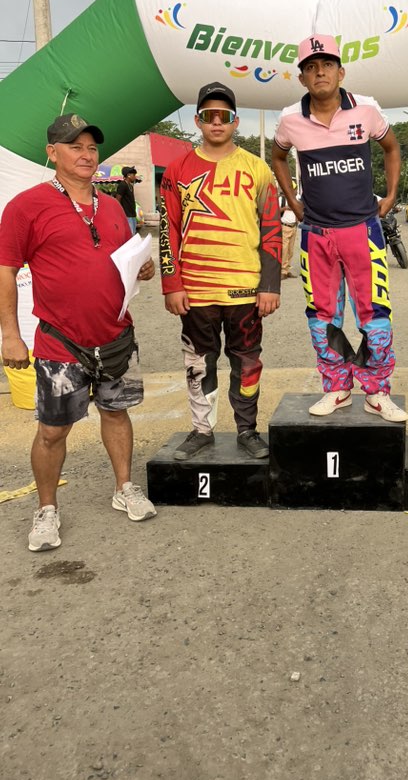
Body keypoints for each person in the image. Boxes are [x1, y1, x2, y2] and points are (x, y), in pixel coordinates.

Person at [0, 114, 157, 552]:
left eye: (91, 147)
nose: (86, 155)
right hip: (61, 340)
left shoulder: (112, 206)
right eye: (75, 147)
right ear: (52, 153)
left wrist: (142, 267)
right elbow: (6, 270)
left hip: (115, 334)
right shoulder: (26, 206)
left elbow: (122, 259)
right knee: (53, 430)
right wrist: (10, 334)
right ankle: (47, 508)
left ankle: (124, 487)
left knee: (117, 414)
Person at [271, 34, 407, 422]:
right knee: (321, 316)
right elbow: (278, 157)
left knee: (374, 315)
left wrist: (391, 194)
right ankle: (337, 388)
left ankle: (377, 391)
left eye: (327, 65)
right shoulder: (290, 119)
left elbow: (392, 147)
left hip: (363, 231)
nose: (320, 73)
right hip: (316, 233)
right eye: (311, 67)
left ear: (341, 72)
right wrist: (293, 201)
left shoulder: (366, 110)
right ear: (302, 78)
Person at [160, 82, 281, 460]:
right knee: (199, 363)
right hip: (195, 291)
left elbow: (272, 228)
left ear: (235, 121)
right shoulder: (177, 169)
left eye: (224, 116)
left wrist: (270, 284)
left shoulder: (257, 168)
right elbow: (167, 229)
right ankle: (201, 430)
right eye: (209, 116)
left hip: (246, 289)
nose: (216, 122)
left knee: (247, 363)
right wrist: (171, 284)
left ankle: (247, 430)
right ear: (198, 121)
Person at [280, 189, 298, 279]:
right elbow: (275, 210)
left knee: (290, 251)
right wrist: (285, 208)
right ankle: (283, 271)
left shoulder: (296, 199)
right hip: (285, 226)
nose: (295, 191)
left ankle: (287, 270)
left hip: (293, 227)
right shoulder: (282, 199)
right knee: (284, 250)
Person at [116, 165, 140, 234]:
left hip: (132, 214)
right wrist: (120, 213)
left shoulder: (130, 186)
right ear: (128, 175)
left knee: (133, 234)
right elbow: (118, 199)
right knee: (130, 235)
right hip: (126, 215)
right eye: (133, 175)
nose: (135, 177)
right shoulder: (122, 185)